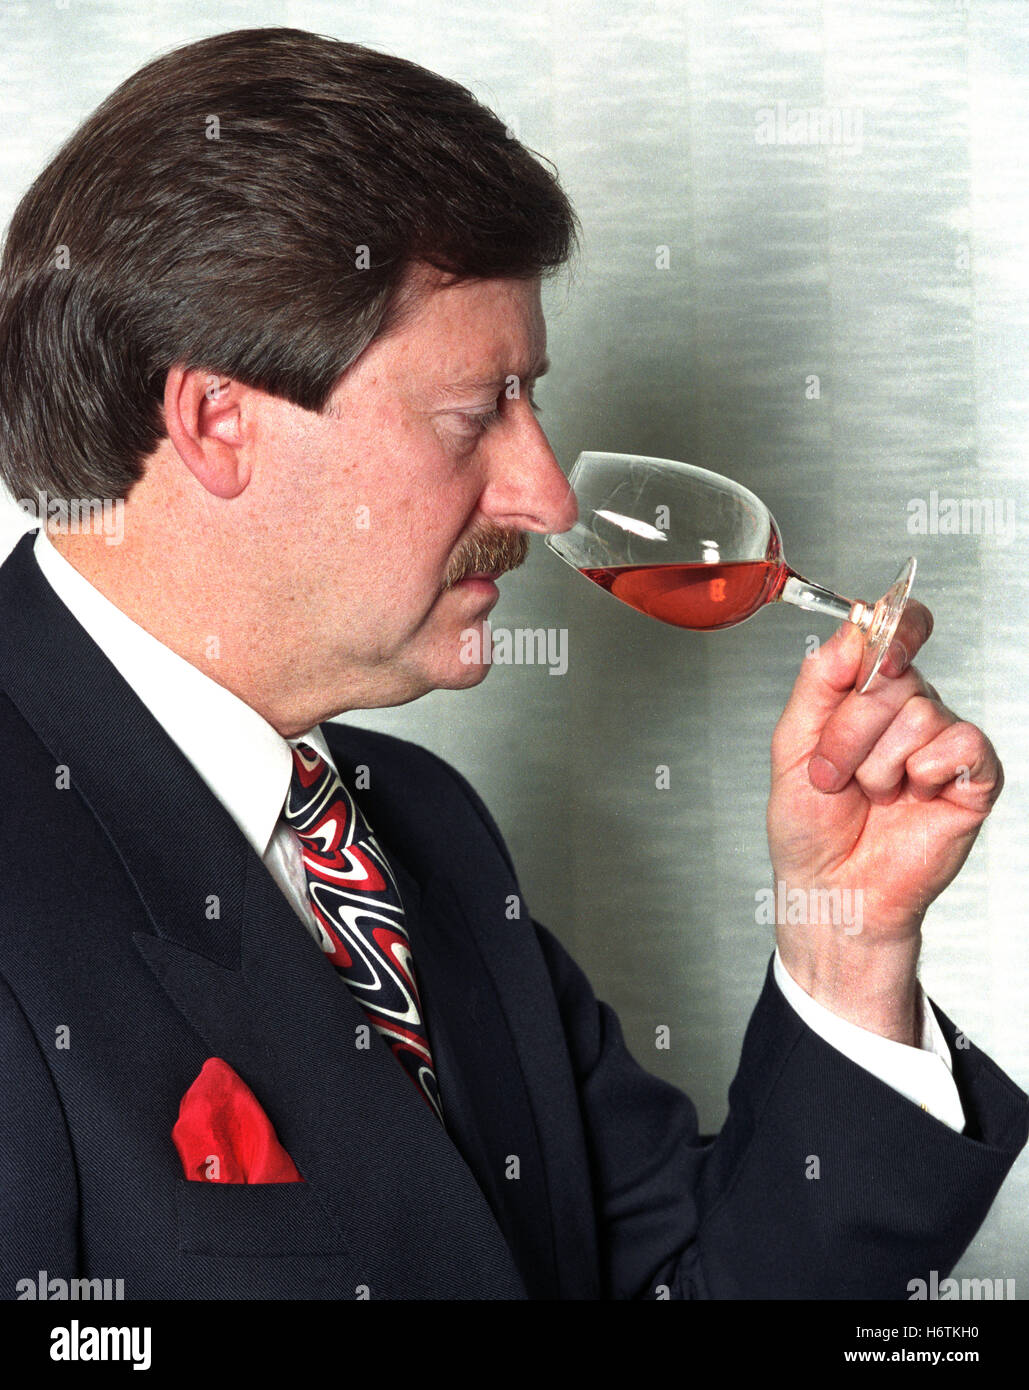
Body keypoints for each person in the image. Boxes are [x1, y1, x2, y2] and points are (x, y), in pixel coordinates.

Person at [0, 26, 1024, 1302]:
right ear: (219, 420)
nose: (545, 493)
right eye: (478, 411)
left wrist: (850, 946)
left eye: (531, 400)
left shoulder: (426, 830)